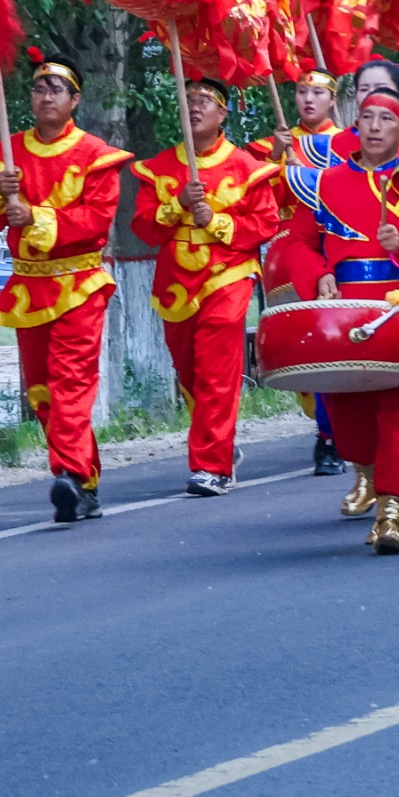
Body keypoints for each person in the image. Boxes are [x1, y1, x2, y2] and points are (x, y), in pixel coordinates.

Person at [293, 87, 399, 553]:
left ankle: (392, 513)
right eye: (367, 117)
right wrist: (319, 273)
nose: (374, 126)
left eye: (385, 119)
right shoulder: (324, 183)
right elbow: (298, 244)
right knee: (349, 415)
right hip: (341, 314)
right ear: (356, 126)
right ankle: (365, 471)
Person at [0, 52, 132, 522]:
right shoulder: (7, 152)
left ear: (74, 100)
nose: (45, 97)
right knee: (41, 392)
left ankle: (72, 475)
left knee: (71, 384)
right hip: (29, 286)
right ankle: (84, 481)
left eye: (56, 89)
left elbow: (96, 221)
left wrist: (35, 216)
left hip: (79, 283)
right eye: (39, 89)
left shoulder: (96, 155)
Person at [130, 78, 280, 494]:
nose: (195, 107)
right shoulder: (159, 167)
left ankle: (211, 466)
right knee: (190, 371)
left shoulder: (246, 166)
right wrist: (177, 205)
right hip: (176, 279)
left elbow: (266, 222)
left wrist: (215, 220)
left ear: (223, 113)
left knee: (217, 371)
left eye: (204, 101)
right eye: (188, 100)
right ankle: (221, 442)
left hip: (228, 274)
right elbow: (143, 227)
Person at [255, 69, 350, 475]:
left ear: (333, 99)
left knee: (338, 340)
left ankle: (335, 432)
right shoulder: (272, 144)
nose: (308, 99)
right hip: (291, 252)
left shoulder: (349, 142)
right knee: (305, 344)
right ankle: (326, 426)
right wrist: (276, 159)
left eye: (317, 92)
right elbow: (260, 201)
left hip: (339, 246)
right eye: (301, 91)